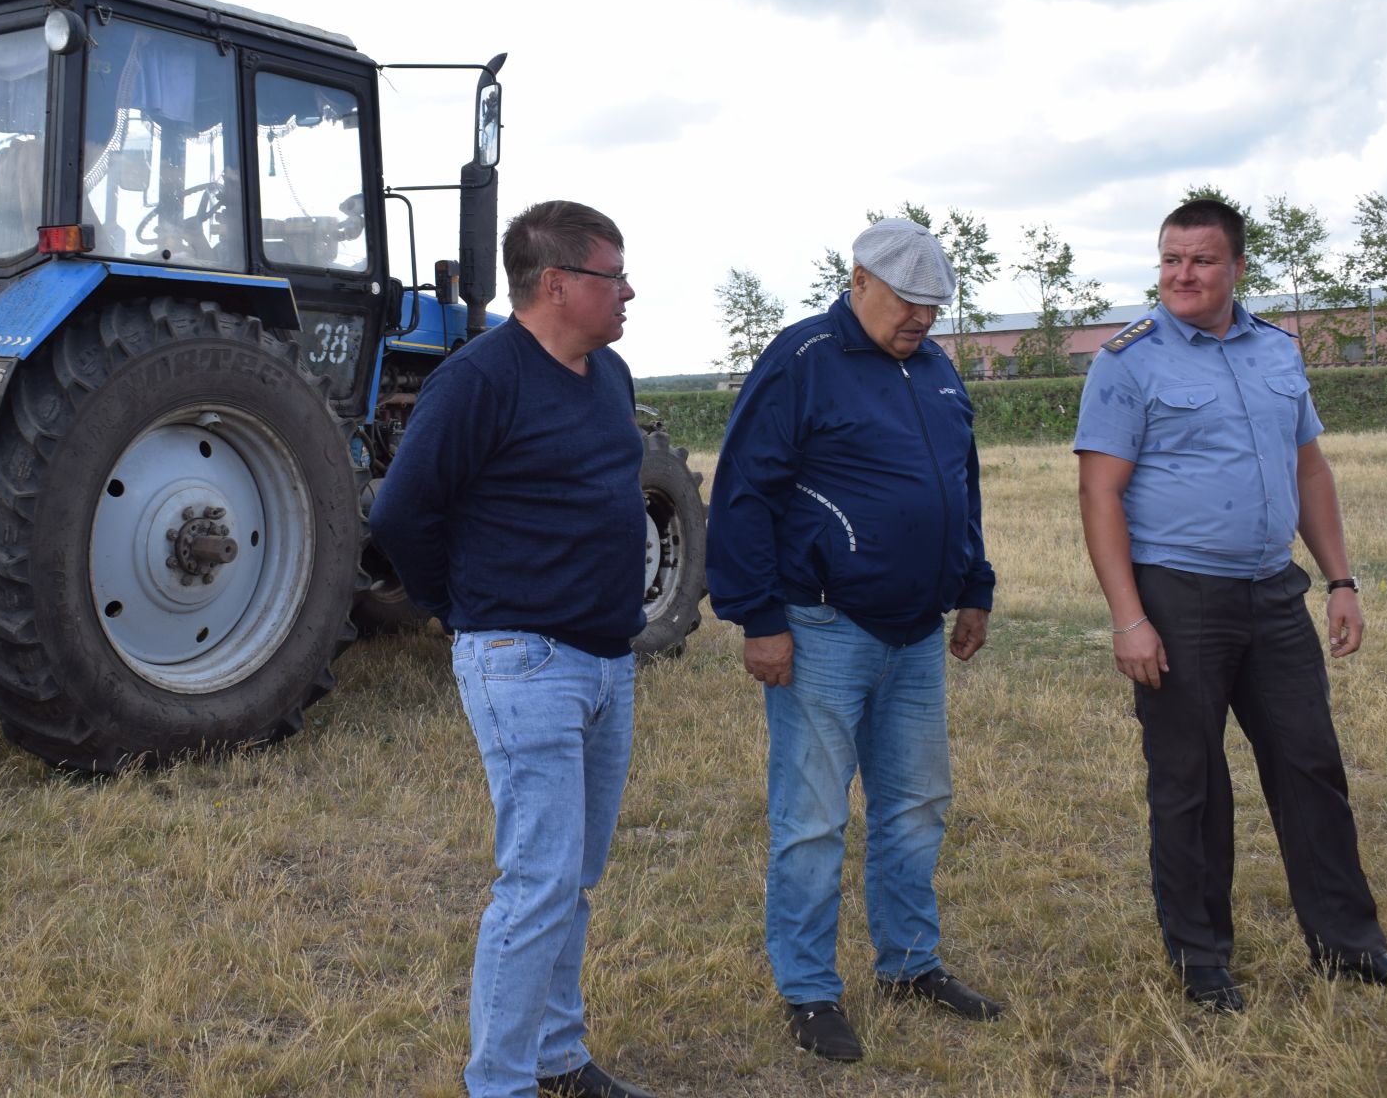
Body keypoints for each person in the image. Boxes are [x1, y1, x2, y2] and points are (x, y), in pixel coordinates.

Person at [1073, 197, 1387, 1013]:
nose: (1182, 275)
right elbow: (1099, 494)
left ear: (1238, 267)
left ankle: (1350, 946)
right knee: (1191, 781)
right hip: (1177, 594)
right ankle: (1203, 963)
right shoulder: (1127, 361)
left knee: (1312, 766)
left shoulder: (1277, 350)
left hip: (1275, 591)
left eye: (1201, 261)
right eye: (1170, 259)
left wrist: (1340, 580)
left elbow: (1310, 469)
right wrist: (1129, 617)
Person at [369, 201, 654, 1098]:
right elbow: (399, 513)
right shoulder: (478, 379)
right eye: (614, 276)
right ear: (559, 283)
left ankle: (558, 1060)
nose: (629, 291)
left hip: (608, 661)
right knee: (537, 881)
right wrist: (459, 608)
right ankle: (500, 1083)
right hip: (523, 661)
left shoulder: (609, 374)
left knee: (573, 878)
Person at [707, 217, 1003, 1065]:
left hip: (916, 635)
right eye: (908, 302)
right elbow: (743, 491)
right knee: (811, 819)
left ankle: (911, 964)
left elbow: (960, 483)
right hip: (822, 628)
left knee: (916, 807)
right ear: (859, 280)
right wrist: (758, 617)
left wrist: (973, 586)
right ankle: (807, 991)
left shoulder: (937, 370)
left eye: (934, 307)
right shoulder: (804, 360)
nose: (921, 319)